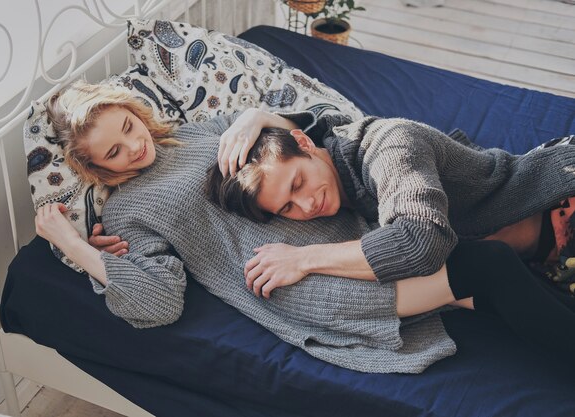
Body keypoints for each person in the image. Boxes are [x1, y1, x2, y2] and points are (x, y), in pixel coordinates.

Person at [35, 80, 475, 374]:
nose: (134, 146)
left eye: (129, 127)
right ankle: (478, 282)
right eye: (114, 152)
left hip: (324, 218)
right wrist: (76, 246)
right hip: (280, 275)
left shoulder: (200, 133)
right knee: (307, 289)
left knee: (414, 224)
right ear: (94, 168)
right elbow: (158, 301)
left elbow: (294, 142)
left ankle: (488, 271)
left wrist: (255, 116)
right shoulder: (125, 211)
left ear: (134, 111)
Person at [206, 125, 575, 363]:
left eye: (297, 182)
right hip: (545, 259)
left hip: (561, 196)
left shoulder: (388, 145)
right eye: (287, 206)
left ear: (305, 142)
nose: (306, 205)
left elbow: (421, 241)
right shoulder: (341, 190)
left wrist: (304, 258)